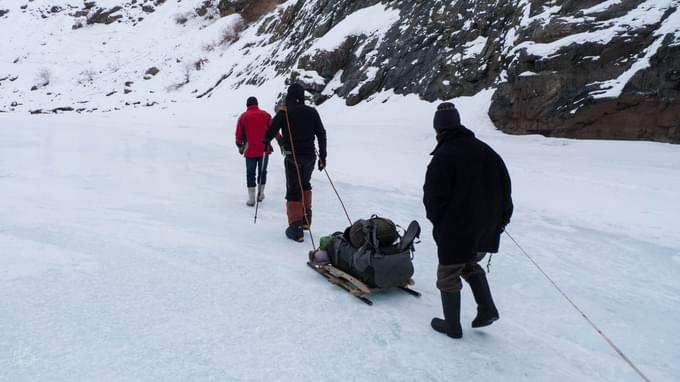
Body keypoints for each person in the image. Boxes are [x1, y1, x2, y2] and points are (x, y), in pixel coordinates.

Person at [423, 102, 513, 339]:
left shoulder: (443, 156)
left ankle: (452, 326)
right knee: (469, 262)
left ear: (438, 130)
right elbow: (506, 189)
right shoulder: (487, 151)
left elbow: (433, 199)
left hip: (457, 229)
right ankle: (487, 309)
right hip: (487, 228)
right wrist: (501, 221)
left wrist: (440, 225)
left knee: (448, 273)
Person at [263, 83, 327, 242]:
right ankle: (305, 221)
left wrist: (266, 142)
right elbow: (321, 133)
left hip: (293, 157)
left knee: (293, 189)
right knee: (305, 184)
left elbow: (271, 130)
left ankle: (295, 229)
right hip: (310, 157)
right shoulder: (312, 112)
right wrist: (323, 157)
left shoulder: (284, 112)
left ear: (289, 96)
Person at [235, 96, 275, 206]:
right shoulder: (265, 115)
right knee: (262, 172)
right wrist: (281, 142)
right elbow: (274, 129)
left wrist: (240, 146)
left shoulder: (243, 117)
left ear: (247, 105)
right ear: (257, 104)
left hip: (250, 149)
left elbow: (238, 136)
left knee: (250, 173)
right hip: (264, 149)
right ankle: (260, 194)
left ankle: (251, 199)